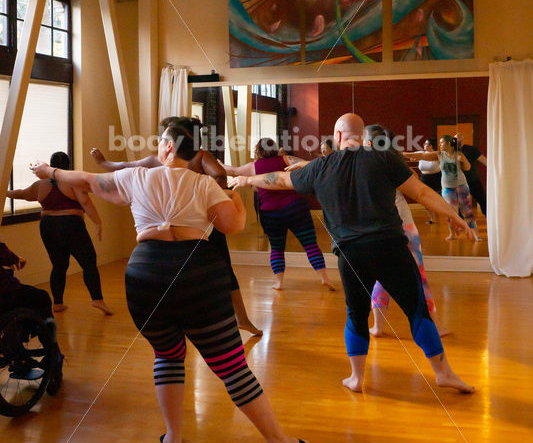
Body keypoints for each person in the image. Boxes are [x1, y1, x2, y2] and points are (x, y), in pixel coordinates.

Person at [31, 123, 306, 443]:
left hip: (145, 277)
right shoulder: (204, 185)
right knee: (232, 367)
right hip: (198, 276)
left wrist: (48, 170)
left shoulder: (136, 178)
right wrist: (236, 198)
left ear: (168, 148)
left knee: (168, 355)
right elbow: (233, 225)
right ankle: (279, 441)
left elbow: (84, 179)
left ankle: (173, 437)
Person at [229, 113, 474, 395]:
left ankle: (357, 379)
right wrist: (455, 216)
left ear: (338, 135)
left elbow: (280, 180)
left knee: (356, 317)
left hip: (351, 255)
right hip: (391, 249)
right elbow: (421, 193)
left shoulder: (320, 167)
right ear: (362, 134)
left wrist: (247, 181)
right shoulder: (384, 158)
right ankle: (443, 373)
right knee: (417, 312)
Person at [90, 116, 261, 336]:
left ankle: (241, 319)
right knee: (210, 272)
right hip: (194, 224)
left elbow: (219, 175)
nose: (162, 141)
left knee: (219, 271)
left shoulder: (197, 156)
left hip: (199, 223)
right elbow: (123, 166)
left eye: (165, 135)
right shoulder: (172, 159)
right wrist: (103, 163)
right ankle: (224, 319)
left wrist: (210, 194)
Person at [363, 125, 448, 338]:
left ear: (370, 143)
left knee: (383, 278)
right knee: (415, 277)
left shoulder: (369, 164)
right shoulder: (389, 162)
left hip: (385, 230)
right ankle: (433, 324)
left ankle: (379, 326)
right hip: (399, 228)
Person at [221, 138, 334, 291]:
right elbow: (311, 166)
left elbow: (233, 171)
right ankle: (324, 278)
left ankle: (279, 283)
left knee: (276, 248)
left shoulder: (254, 166)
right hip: (296, 209)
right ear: (275, 149)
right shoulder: (287, 159)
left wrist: (220, 165)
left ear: (258, 151)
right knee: (310, 244)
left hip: (271, 213)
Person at [6, 152, 112, 315]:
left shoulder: (40, 184)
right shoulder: (72, 181)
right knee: (88, 262)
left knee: (59, 265)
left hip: (48, 226)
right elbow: (85, 202)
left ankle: (58, 303)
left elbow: (21, 193)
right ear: (68, 165)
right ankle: (97, 299)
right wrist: (98, 222)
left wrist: (4, 192)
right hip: (71, 225)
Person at [0, 241, 63, 382]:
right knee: (42, 298)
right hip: (5, 297)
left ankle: (16, 345)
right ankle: (54, 353)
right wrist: (16, 259)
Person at [405, 135, 482, 242]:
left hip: (461, 186)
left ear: (449, 144)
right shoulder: (439, 155)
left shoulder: (458, 154)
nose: (440, 145)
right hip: (447, 188)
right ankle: (452, 234)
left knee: (467, 211)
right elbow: (423, 156)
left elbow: (467, 167)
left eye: (441, 143)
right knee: (450, 212)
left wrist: (463, 160)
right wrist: (403, 154)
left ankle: (476, 235)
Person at [454, 132, 487, 216]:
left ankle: (489, 218)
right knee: (459, 205)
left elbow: (484, 161)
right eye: (456, 138)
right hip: (458, 182)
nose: (458, 139)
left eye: (459, 137)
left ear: (463, 139)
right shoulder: (451, 151)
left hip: (473, 179)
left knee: (482, 200)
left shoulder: (471, 149)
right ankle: (461, 224)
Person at [416, 138, 441, 224]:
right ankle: (432, 219)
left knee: (438, 200)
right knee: (426, 200)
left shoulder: (437, 154)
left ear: (431, 146)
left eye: (426, 144)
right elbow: (411, 155)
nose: (424, 145)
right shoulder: (421, 154)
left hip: (436, 178)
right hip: (424, 179)